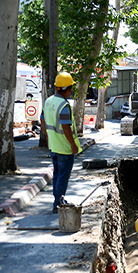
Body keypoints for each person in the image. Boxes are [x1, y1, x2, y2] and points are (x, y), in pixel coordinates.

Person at [40, 72, 82, 214]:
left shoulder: (48, 101)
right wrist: (73, 144)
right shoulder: (64, 105)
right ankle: (57, 204)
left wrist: (47, 135)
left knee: (57, 175)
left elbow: (42, 120)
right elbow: (65, 127)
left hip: (53, 146)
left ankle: (57, 200)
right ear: (69, 89)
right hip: (64, 147)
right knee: (62, 176)